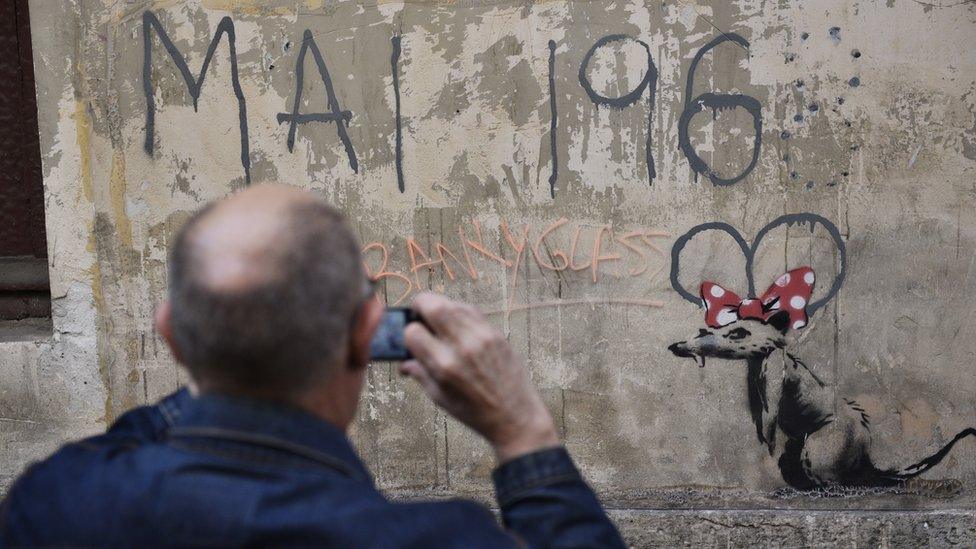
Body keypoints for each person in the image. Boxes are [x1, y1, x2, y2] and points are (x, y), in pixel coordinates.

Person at [0, 185, 624, 547]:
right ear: (365, 333)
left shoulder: (56, 501)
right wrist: (524, 434)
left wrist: (221, 360)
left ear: (170, 334)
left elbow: (127, 444)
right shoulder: (438, 539)